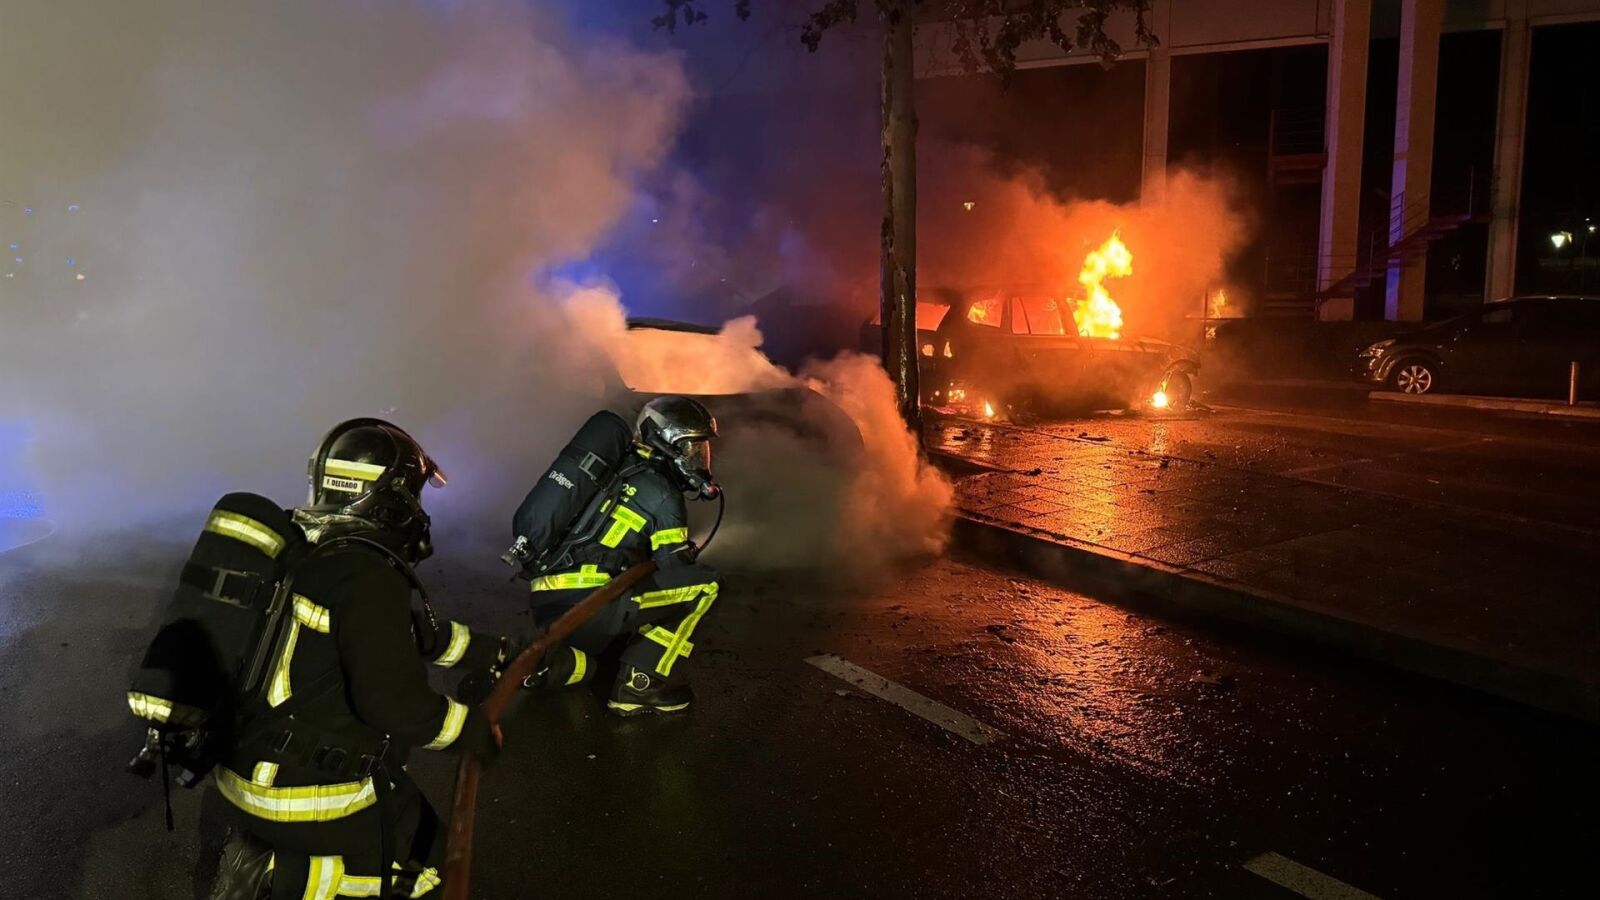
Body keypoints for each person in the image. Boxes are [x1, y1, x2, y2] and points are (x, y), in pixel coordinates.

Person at [208, 418, 505, 900]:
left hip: (243, 769)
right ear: (389, 500)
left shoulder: (300, 549)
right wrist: (471, 729)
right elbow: (395, 705)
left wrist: (495, 652)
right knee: (425, 869)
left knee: (406, 815)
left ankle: (273, 860)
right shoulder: (367, 574)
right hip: (304, 798)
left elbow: (412, 636)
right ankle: (284, 877)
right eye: (413, 496)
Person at [524, 397, 722, 717]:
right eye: (692, 448)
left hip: (550, 605)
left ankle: (551, 664)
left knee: (598, 659)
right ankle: (639, 686)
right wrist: (684, 555)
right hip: (590, 606)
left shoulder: (618, 469)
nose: (698, 459)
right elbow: (674, 569)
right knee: (704, 586)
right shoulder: (663, 492)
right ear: (668, 443)